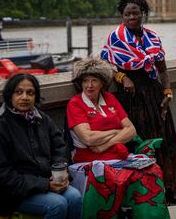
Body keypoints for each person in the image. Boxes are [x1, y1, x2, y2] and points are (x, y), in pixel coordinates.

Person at [100, 0, 176, 204]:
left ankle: (168, 187)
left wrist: (168, 91)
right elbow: (106, 64)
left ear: (143, 13)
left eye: (135, 13)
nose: (131, 17)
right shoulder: (115, 37)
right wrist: (122, 76)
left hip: (153, 93)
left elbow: (162, 69)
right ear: (122, 16)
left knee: (163, 141)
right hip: (131, 97)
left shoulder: (152, 36)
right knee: (138, 143)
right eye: (127, 14)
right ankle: (142, 192)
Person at [67, 57, 169, 218]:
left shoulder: (110, 98)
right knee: (110, 178)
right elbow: (88, 138)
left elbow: (131, 131)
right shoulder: (76, 103)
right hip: (90, 159)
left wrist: (105, 145)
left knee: (151, 172)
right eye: (85, 81)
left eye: (94, 80)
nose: (89, 85)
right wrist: (115, 132)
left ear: (103, 83)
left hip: (117, 155)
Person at [0, 73, 82, 219]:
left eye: (30, 93)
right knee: (57, 204)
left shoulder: (42, 119)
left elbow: (59, 147)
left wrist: (61, 170)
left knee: (75, 197)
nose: (24, 97)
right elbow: (1, 173)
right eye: (19, 92)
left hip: (47, 182)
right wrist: (45, 185)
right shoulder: (0, 127)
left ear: (36, 97)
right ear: (10, 95)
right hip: (14, 193)